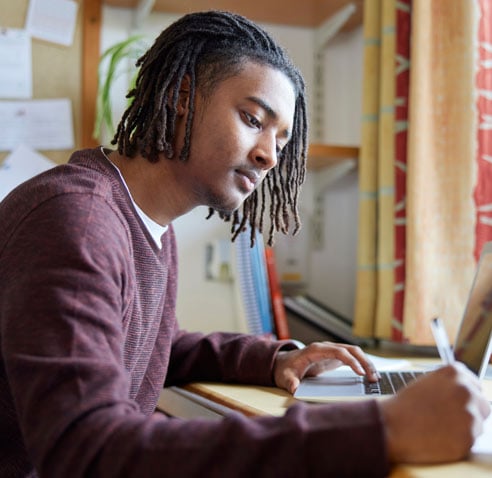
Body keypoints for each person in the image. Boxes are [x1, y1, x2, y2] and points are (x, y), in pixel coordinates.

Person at [0, 10, 489, 478]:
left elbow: (156, 344)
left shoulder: (142, 220)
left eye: (281, 139)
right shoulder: (79, 220)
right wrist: (380, 429)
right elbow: (87, 452)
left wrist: (273, 359)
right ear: (182, 98)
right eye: (254, 120)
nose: (269, 156)